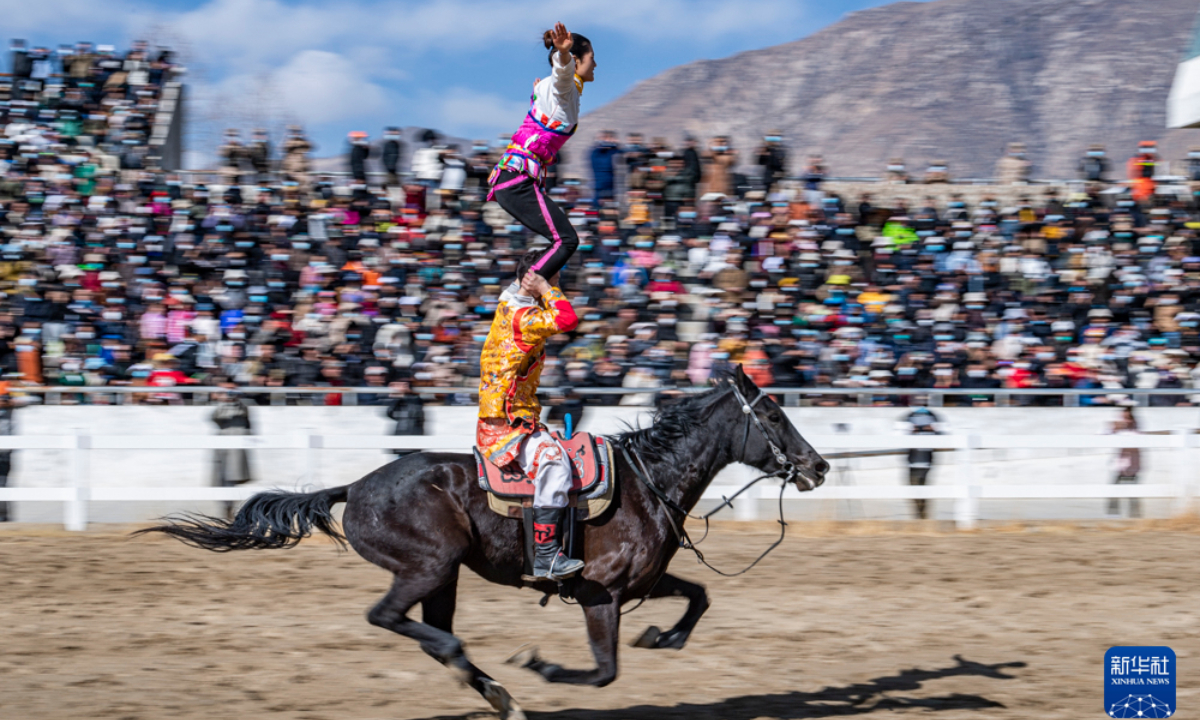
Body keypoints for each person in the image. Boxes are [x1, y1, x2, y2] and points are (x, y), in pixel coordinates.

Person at [477, 249, 582, 581]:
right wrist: (546, 288)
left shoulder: (511, 301)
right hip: (507, 421)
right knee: (554, 461)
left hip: (515, 412)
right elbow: (567, 319)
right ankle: (547, 557)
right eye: (556, 279)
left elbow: (519, 288)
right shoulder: (524, 318)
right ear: (534, 281)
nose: (559, 286)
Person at [487, 23, 595, 285]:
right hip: (517, 181)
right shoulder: (565, 87)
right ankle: (522, 294)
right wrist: (563, 55)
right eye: (592, 58)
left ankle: (529, 288)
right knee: (566, 240)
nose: (595, 65)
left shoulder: (556, 90)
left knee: (561, 241)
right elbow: (562, 77)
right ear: (577, 60)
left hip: (513, 178)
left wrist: (539, 90)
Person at [211, 379, 253, 521]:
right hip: (222, 447)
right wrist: (221, 399)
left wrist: (234, 399)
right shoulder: (218, 407)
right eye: (226, 390)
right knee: (222, 480)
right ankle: (226, 511)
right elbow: (216, 417)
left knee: (233, 478)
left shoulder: (243, 406)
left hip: (237, 448)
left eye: (232, 390)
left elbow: (243, 413)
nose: (229, 394)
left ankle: (232, 511)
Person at [902, 407, 940, 520]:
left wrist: (931, 430)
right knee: (914, 491)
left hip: (926, 462)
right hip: (912, 462)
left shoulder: (933, 417)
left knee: (923, 491)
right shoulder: (909, 417)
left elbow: (942, 434)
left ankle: (922, 517)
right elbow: (899, 435)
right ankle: (919, 517)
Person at [1107, 405, 1141, 518]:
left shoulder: (1136, 428)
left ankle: (1135, 515)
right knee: (1113, 491)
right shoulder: (1117, 426)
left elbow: (1137, 440)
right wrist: (1114, 428)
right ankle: (1113, 515)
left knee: (1133, 493)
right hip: (1120, 465)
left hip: (1132, 465)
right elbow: (1103, 435)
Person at [386, 380, 425, 457]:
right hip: (402, 437)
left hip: (411, 437)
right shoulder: (400, 402)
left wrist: (402, 395)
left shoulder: (415, 400)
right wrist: (397, 398)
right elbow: (390, 413)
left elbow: (414, 414)